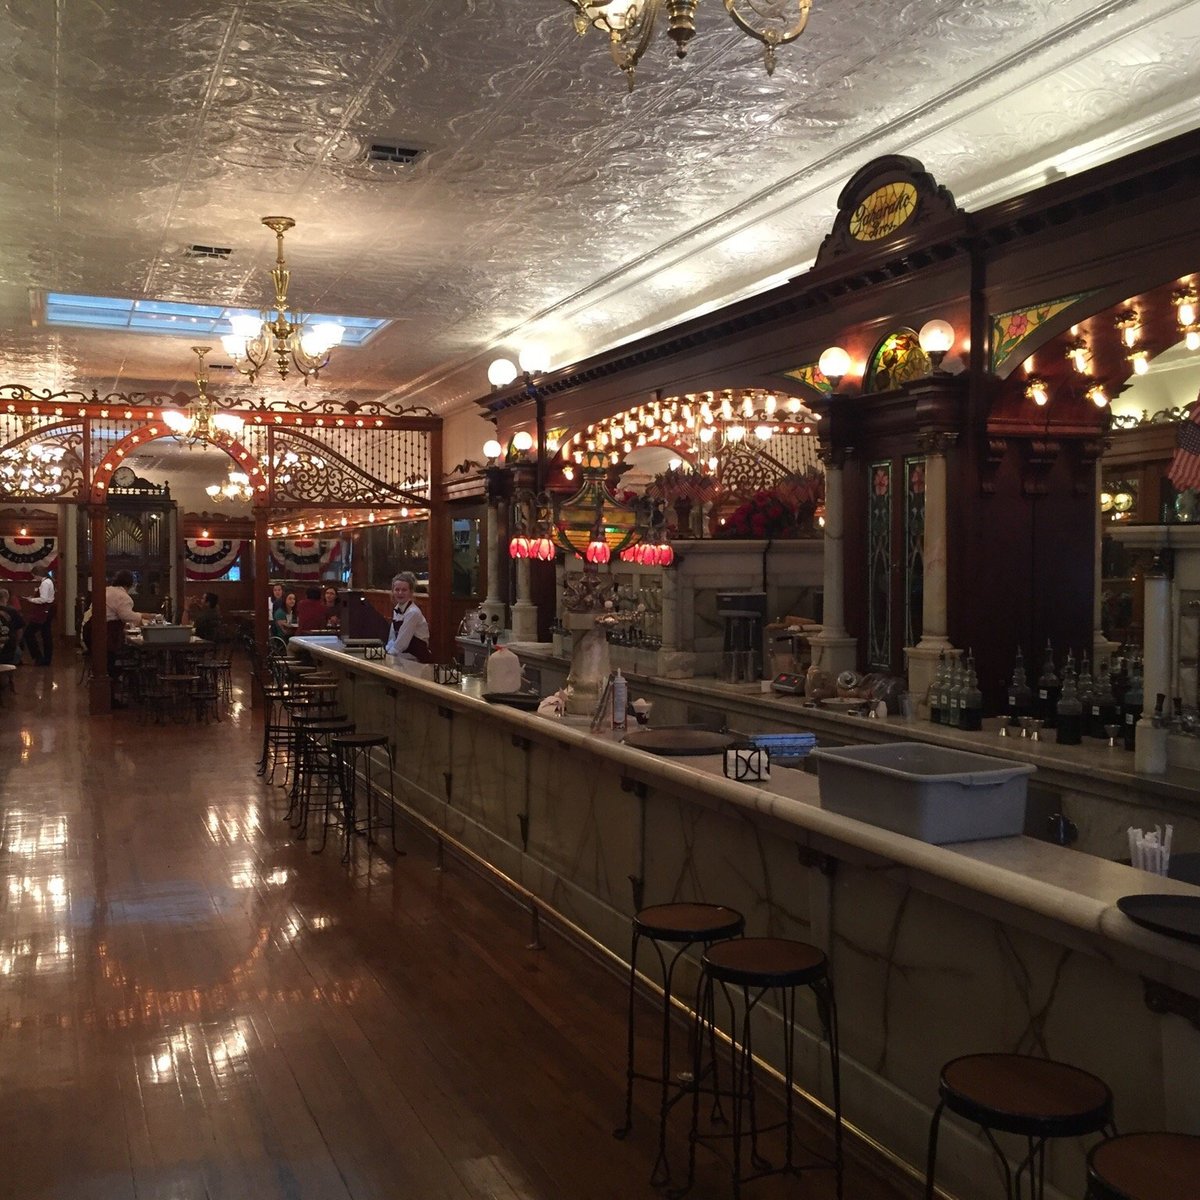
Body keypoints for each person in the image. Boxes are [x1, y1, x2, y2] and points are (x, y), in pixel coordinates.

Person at [385, 571, 430, 662]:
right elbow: (392, 638)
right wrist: (387, 650)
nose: (400, 593)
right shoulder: (396, 610)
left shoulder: (413, 612)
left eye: (404, 590)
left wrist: (388, 656)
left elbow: (402, 643)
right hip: (403, 656)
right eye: (397, 590)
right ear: (393, 591)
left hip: (417, 659)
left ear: (411, 592)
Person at [22, 564, 55, 666]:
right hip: (49, 610)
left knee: (28, 633)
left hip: (43, 611)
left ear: (38, 574)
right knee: (46, 635)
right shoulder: (49, 581)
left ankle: (38, 656)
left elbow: (43, 599)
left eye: (34, 576)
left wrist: (31, 599)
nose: (34, 578)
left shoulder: (45, 583)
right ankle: (46, 659)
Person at [0, 587, 26, 666]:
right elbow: (19, 631)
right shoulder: (12, 611)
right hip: (8, 649)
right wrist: (16, 643)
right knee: (17, 651)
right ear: (6, 598)